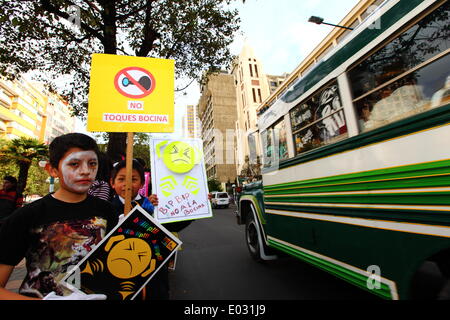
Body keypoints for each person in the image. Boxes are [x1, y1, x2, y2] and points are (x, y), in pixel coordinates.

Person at [0, 133, 118, 300]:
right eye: (74, 164)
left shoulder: (108, 211)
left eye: (92, 163)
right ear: (52, 170)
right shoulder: (27, 215)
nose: (85, 171)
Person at [109, 159, 191, 300]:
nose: (127, 184)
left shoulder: (154, 205)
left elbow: (172, 226)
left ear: (141, 183)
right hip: (120, 277)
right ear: (112, 183)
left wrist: (197, 209)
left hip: (154, 277)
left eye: (133, 179)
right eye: (121, 179)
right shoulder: (106, 210)